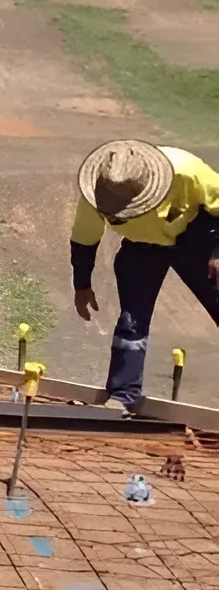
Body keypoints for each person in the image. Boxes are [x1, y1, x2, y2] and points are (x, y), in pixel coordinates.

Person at [71, 140, 219, 409]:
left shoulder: (187, 170)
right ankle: (123, 395)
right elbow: (84, 236)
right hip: (142, 247)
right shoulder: (100, 189)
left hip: (197, 237)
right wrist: (82, 284)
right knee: (132, 321)